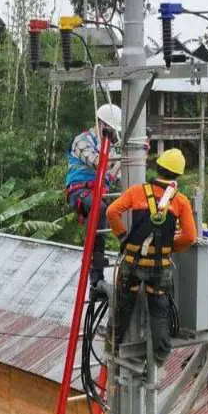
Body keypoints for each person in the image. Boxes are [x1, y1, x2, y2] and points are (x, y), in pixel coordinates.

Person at [105, 148, 197, 364]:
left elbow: (112, 212)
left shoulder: (137, 192)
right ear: (178, 175)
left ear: (158, 167)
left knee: (124, 305)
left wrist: (122, 236)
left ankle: (112, 344)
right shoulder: (180, 201)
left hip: (132, 263)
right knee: (159, 312)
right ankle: (159, 357)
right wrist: (169, 248)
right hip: (159, 268)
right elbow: (190, 236)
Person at [65, 104, 123, 289]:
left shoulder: (111, 148)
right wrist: (119, 156)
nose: (112, 135)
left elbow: (117, 176)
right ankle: (96, 269)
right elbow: (98, 163)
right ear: (100, 123)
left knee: (126, 209)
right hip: (79, 192)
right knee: (99, 209)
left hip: (100, 193)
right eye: (110, 129)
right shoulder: (81, 141)